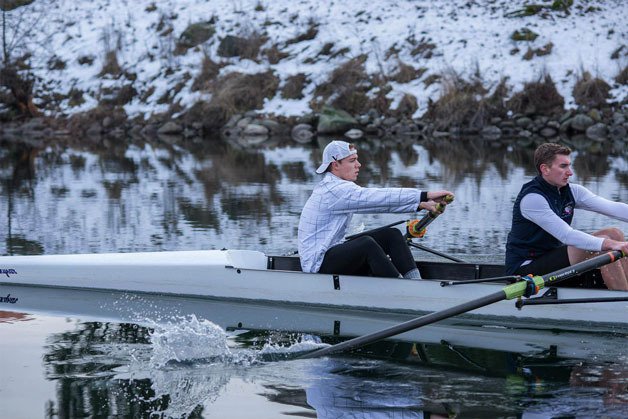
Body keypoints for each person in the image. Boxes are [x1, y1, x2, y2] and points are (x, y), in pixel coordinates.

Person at [298, 140, 453, 279]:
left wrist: (418, 204)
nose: (358, 165)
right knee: (366, 244)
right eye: (352, 161)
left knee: (391, 235)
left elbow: (379, 204)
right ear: (335, 165)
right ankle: (403, 291)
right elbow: (376, 197)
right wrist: (423, 196)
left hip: (333, 251)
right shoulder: (332, 191)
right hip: (317, 265)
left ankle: (415, 282)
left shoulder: (338, 187)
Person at [505, 142, 628, 290]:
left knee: (614, 233)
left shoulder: (572, 191)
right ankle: (622, 300)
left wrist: (616, 242)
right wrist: (613, 245)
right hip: (525, 271)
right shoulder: (532, 199)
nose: (570, 172)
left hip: (554, 259)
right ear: (545, 169)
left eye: (569, 166)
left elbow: (613, 208)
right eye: (563, 166)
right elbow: (567, 235)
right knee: (607, 244)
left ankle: (623, 290)